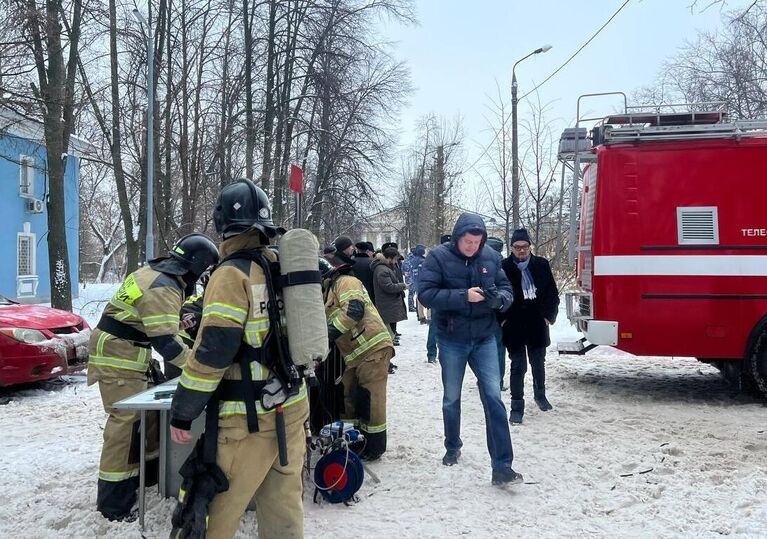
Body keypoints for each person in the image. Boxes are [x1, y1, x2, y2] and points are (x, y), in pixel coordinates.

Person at [169, 178, 309, 538]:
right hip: (292, 408)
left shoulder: (231, 274)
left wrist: (183, 411)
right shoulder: (282, 266)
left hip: (247, 420)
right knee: (284, 514)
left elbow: (214, 351)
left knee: (214, 513)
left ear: (221, 225)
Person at [87, 233, 219, 521]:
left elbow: (150, 320)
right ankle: (114, 503)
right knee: (125, 425)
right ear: (196, 266)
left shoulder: (156, 274)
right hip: (117, 356)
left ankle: (141, 480)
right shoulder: (164, 286)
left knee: (145, 421)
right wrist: (197, 369)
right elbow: (166, 343)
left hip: (128, 352)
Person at [418, 213, 523, 486]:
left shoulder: (490, 256)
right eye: (467, 241)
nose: (472, 246)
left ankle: (502, 467)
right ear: (457, 238)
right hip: (452, 338)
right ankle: (452, 444)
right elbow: (425, 294)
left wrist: (498, 300)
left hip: (485, 337)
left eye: (477, 241)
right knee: (451, 398)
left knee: (494, 399)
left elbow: (507, 290)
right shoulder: (438, 257)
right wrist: (463, 296)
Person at [323, 258, 395, 460]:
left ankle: (374, 447)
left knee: (372, 400)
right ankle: (354, 441)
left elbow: (354, 309)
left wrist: (327, 335)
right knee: (350, 397)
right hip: (354, 355)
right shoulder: (327, 293)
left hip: (373, 348)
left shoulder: (345, 282)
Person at [500, 228, 560, 424]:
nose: (521, 251)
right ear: (512, 248)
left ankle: (540, 395)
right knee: (518, 366)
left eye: (524, 247)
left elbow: (552, 293)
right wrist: (502, 320)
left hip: (537, 323)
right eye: (517, 247)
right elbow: (497, 296)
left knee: (538, 362)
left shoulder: (541, 265)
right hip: (514, 325)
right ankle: (517, 405)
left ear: (529, 247)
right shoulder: (504, 267)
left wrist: (548, 317)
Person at [371, 246, 408, 346]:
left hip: (389, 304)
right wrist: (403, 286)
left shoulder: (384, 268)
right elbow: (388, 287)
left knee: (390, 331)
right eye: (395, 259)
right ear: (389, 258)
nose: (396, 262)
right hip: (387, 304)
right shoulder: (382, 270)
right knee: (388, 335)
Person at [485, 236, 507, 391]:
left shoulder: (480, 262)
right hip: (501, 313)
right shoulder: (504, 264)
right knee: (499, 348)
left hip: (483, 313)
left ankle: (486, 380)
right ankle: (498, 381)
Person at [403, 244, 426, 312]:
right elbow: (406, 266)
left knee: (414, 293)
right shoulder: (411, 257)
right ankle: (411, 306)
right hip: (411, 278)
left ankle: (413, 307)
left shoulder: (412, 257)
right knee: (412, 293)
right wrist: (407, 272)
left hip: (413, 277)